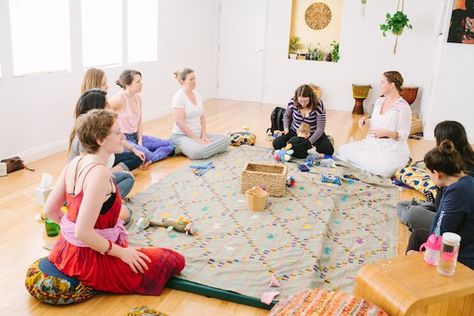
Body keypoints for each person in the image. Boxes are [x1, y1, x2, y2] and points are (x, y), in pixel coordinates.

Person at [45, 109, 185, 294]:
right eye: (117, 133)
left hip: (64, 251)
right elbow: (82, 232)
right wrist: (122, 252)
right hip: (88, 261)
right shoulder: (99, 173)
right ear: (100, 139)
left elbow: (50, 211)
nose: (123, 136)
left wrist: (71, 235)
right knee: (173, 260)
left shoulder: (76, 162)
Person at [405, 140, 474, 270]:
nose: (428, 176)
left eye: (429, 173)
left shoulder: (457, 194)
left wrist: (422, 256)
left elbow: (439, 234)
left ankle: (414, 279)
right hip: (464, 241)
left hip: (463, 257)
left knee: (414, 253)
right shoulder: (465, 181)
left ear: (438, 173)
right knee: (418, 235)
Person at [397, 121, 474, 230]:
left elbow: (442, 210)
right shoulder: (464, 159)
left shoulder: (461, 175)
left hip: (455, 222)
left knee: (410, 214)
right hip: (445, 208)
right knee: (402, 205)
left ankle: (419, 226)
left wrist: (439, 186)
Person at [336, 71, 412, 177]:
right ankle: (366, 166)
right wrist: (365, 122)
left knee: (384, 169)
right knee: (342, 150)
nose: (379, 85)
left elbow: (404, 135)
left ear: (392, 85)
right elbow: (376, 122)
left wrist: (387, 133)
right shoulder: (379, 101)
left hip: (391, 148)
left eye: (382, 82)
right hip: (373, 143)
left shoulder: (403, 107)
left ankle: (362, 165)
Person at [67, 89, 139, 200]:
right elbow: (87, 177)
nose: (110, 107)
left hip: (98, 176)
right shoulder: (84, 141)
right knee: (127, 179)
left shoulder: (96, 133)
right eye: (106, 105)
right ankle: (107, 202)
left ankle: (109, 200)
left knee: (131, 167)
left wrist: (133, 148)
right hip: (87, 186)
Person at [80, 68, 144, 171]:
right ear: (95, 85)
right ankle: (106, 173)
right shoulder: (86, 119)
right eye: (104, 83)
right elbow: (85, 156)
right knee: (128, 177)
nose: (108, 86)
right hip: (94, 163)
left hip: (107, 155)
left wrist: (133, 149)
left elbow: (117, 135)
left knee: (137, 157)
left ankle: (108, 173)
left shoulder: (104, 106)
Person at [109, 69, 175, 166]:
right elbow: (101, 110)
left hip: (137, 136)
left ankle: (149, 159)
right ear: (128, 84)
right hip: (125, 139)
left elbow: (139, 122)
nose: (141, 84)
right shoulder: (119, 98)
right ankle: (148, 155)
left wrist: (140, 140)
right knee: (146, 153)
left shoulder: (138, 98)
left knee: (169, 145)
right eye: (138, 82)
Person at [170, 68, 229, 160]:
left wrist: (204, 135)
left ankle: (202, 148)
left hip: (198, 134)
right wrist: (196, 139)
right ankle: (190, 148)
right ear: (182, 81)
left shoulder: (197, 94)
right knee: (197, 152)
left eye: (194, 78)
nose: (194, 81)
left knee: (226, 140)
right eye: (191, 79)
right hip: (182, 136)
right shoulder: (178, 97)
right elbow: (179, 122)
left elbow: (202, 117)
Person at [273, 84, 334, 156]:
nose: (302, 104)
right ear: (297, 98)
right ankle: (306, 151)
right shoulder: (293, 101)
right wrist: (286, 128)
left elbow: (320, 128)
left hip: (312, 134)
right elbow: (287, 115)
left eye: (305, 101)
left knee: (328, 150)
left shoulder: (318, 104)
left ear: (311, 98)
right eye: (300, 101)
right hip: (296, 132)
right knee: (277, 143)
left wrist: (308, 142)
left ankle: (298, 150)